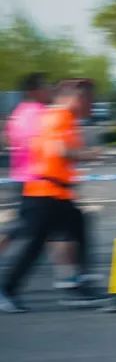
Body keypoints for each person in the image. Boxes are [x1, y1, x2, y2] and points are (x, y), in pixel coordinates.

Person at [0, 80, 109, 313]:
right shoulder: (59, 117)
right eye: (89, 100)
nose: (91, 105)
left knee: (78, 224)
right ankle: (7, 289)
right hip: (44, 193)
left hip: (56, 192)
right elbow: (59, 150)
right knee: (34, 245)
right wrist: (89, 154)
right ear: (76, 99)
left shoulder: (61, 117)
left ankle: (78, 285)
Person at [0, 73, 51, 257]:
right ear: (33, 91)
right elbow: (40, 144)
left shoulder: (18, 112)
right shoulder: (39, 113)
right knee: (26, 226)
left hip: (24, 177)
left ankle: (70, 270)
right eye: (45, 87)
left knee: (41, 227)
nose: (49, 90)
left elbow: (7, 139)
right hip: (37, 179)